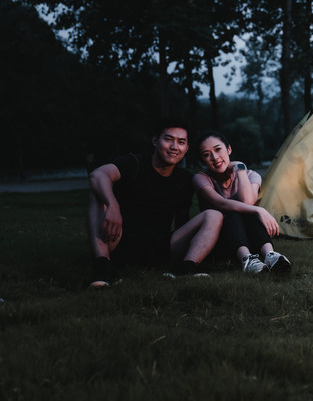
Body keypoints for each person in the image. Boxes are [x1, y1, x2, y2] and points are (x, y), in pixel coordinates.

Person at [87, 119, 223, 287]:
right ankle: (103, 267)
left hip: (161, 248)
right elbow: (98, 175)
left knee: (214, 215)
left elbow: (182, 222)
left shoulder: (185, 180)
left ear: (186, 149)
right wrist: (112, 204)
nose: (174, 146)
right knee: (97, 193)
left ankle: (186, 267)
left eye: (181, 142)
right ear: (155, 141)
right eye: (168, 139)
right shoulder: (133, 163)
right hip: (119, 239)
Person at [193, 130, 291, 274]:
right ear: (203, 161)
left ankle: (270, 255)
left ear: (229, 149)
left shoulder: (251, 175)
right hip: (219, 241)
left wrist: (240, 169)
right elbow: (222, 204)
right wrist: (260, 210)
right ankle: (247, 260)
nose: (214, 157)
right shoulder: (201, 179)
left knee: (246, 211)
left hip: (248, 237)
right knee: (233, 213)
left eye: (218, 149)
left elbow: (247, 201)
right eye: (207, 155)